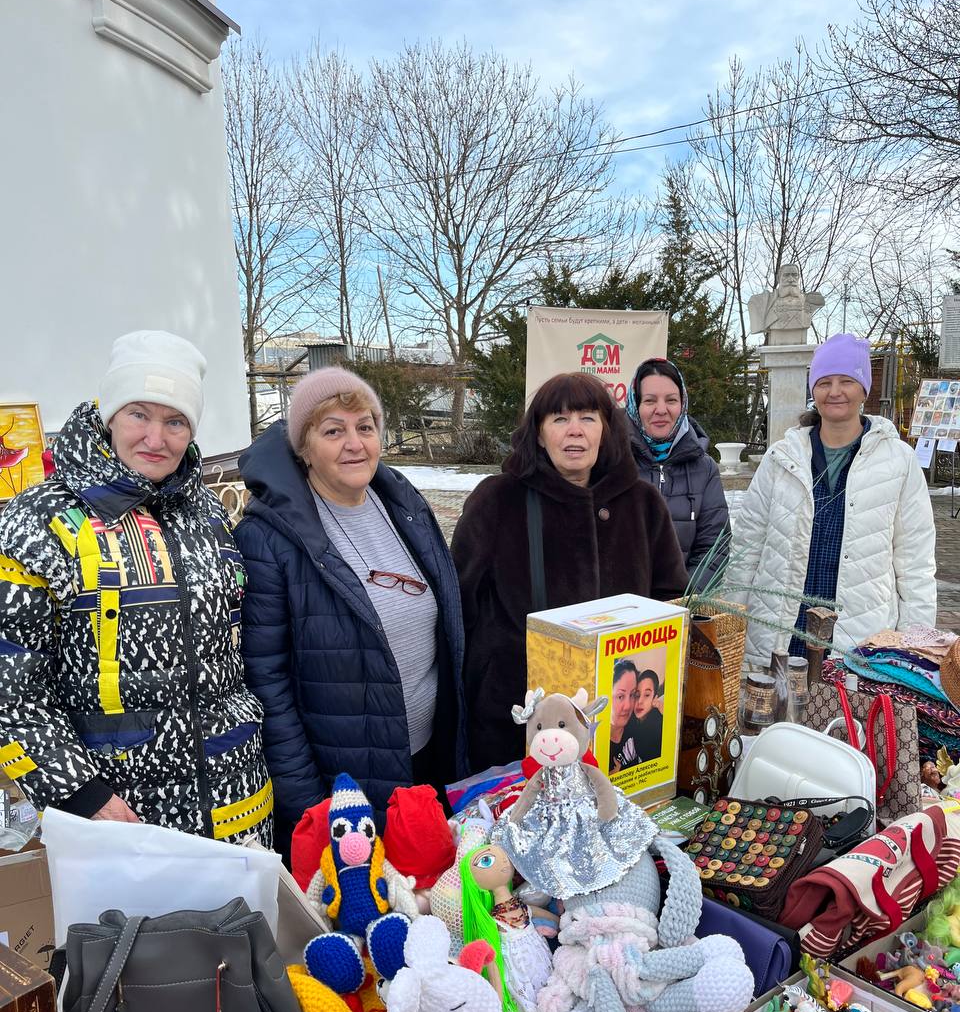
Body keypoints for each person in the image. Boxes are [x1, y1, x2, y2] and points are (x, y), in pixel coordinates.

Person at [0, 331, 273, 841]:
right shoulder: (37, 521)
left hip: (239, 807)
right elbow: (10, 691)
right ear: (109, 416)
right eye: (139, 414)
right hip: (121, 822)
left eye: (175, 421)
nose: (156, 438)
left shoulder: (209, 514)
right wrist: (82, 796)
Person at [234, 367, 468, 852]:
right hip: (344, 789)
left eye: (365, 426)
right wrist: (313, 810)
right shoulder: (269, 538)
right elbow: (267, 685)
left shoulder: (404, 506)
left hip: (428, 762)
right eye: (333, 431)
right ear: (304, 447)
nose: (354, 444)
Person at [452, 372, 688, 771]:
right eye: (559, 419)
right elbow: (460, 604)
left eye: (588, 418)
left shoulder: (643, 503)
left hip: (618, 723)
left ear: (606, 431)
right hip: (515, 720)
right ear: (539, 434)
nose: (574, 430)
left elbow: (671, 600)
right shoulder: (498, 500)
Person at [727, 333, 937, 668]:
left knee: (843, 704)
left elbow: (915, 562)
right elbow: (747, 546)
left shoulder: (898, 461)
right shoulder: (782, 458)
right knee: (780, 702)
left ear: (864, 389)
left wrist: (912, 647)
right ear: (813, 390)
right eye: (824, 382)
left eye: (847, 381)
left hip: (859, 637)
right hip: (782, 632)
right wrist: (729, 619)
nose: (835, 391)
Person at [626, 358, 730, 587]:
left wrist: (682, 598)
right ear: (635, 405)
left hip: (681, 603)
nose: (661, 410)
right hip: (622, 604)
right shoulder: (613, 461)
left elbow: (714, 548)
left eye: (671, 400)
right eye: (650, 400)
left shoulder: (704, 468)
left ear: (682, 404)